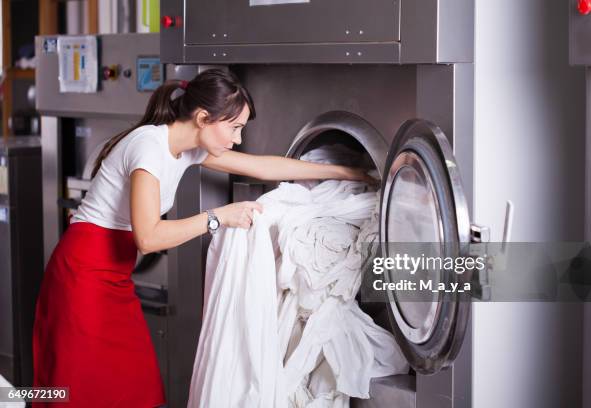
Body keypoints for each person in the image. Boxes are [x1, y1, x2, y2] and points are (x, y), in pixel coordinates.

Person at [32, 69, 372, 407]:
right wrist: (218, 217)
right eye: (234, 127)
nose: (237, 139)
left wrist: (347, 172)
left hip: (114, 275)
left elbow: (263, 168)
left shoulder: (189, 147)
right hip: (83, 278)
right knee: (79, 390)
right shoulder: (148, 149)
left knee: (136, 387)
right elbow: (148, 237)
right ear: (203, 118)